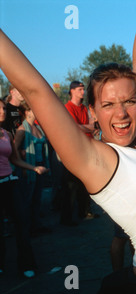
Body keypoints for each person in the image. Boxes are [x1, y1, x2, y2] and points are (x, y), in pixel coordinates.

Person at [0, 0, 136, 294]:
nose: (122, 113)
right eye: (108, 104)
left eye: (129, 101)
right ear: (93, 111)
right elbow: (34, 88)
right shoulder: (96, 160)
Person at [0, 99, 48, 278]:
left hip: (9, 181)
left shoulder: (6, 134)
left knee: (22, 221)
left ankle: (26, 263)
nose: (3, 111)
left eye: (4, 108)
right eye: (0, 109)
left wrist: (34, 168)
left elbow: (14, 160)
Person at [58, 80, 95, 225]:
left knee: (84, 184)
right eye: (80, 89)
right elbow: (74, 128)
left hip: (86, 148)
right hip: (73, 150)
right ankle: (66, 218)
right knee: (70, 186)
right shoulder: (68, 107)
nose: (83, 92)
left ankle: (84, 211)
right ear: (72, 91)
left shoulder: (84, 108)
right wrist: (88, 127)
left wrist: (85, 127)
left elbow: (90, 125)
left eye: (83, 89)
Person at [13, 103, 51, 236]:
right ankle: (27, 228)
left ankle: (36, 225)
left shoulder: (37, 128)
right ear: (27, 112)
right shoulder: (22, 129)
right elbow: (15, 148)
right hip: (29, 166)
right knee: (27, 198)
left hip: (39, 165)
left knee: (37, 197)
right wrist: (22, 165)